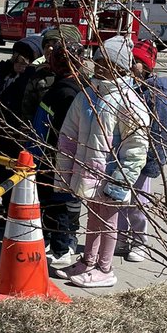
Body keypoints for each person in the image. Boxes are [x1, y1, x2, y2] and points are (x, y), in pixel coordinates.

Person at [55, 35, 150, 288]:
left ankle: (105, 268)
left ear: (119, 67)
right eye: (97, 61)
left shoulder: (128, 101)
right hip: (89, 172)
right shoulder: (88, 95)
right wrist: (66, 169)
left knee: (108, 221)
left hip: (111, 176)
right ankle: (88, 261)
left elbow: (135, 147)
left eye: (105, 63)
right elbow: (69, 134)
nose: (98, 66)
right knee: (94, 217)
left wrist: (120, 182)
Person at [31, 30, 87, 268]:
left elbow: (60, 129)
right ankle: (55, 242)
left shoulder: (66, 91)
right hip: (50, 154)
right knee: (51, 202)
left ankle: (62, 248)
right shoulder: (69, 86)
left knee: (58, 203)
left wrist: (39, 150)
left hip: (55, 156)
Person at [118, 39, 167, 262]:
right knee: (120, 198)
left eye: (138, 62)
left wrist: (154, 158)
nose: (133, 66)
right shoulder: (127, 86)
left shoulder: (155, 92)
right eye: (132, 61)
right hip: (122, 152)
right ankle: (120, 236)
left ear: (148, 66)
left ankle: (140, 241)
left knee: (138, 202)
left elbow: (162, 128)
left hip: (143, 155)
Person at [0, 36, 41, 226]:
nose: (19, 64)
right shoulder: (3, 74)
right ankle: (6, 208)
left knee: (16, 177)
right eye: (16, 59)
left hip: (18, 136)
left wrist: (27, 73)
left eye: (25, 61)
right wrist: (3, 68)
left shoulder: (31, 80)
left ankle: (14, 215)